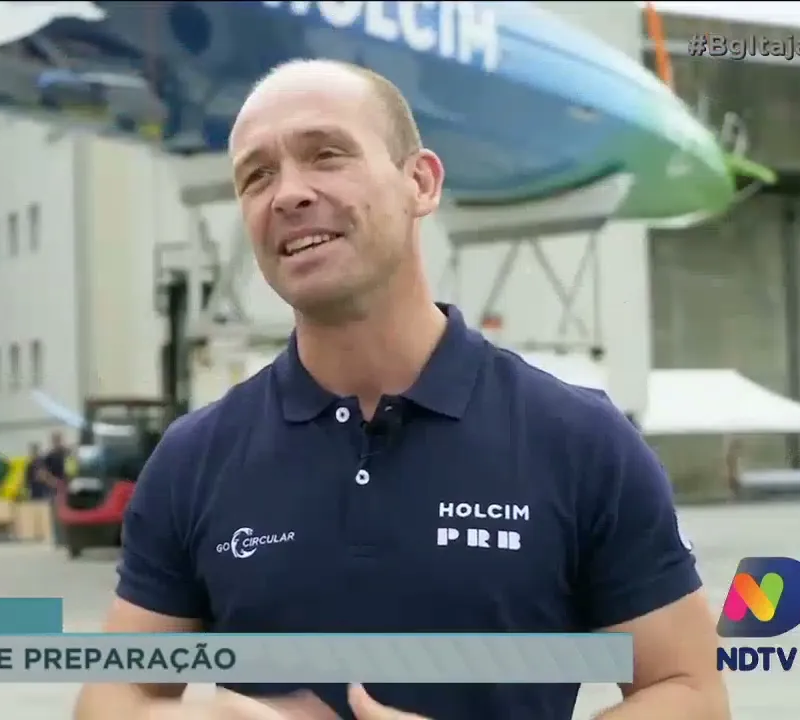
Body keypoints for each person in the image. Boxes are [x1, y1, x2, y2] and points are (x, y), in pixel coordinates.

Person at [74, 59, 728, 720]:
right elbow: (114, 693)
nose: (287, 194)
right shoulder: (194, 458)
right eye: (256, 175)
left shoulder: (581, 441)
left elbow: (688, 692)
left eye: (326, 155)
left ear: (420, 181)